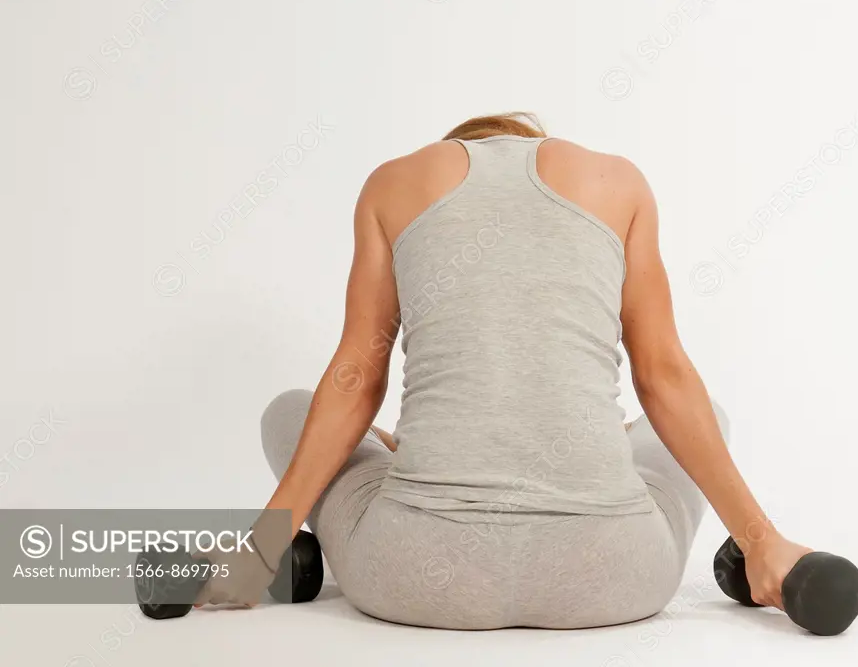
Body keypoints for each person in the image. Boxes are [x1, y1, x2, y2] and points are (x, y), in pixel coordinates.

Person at [194, 112, 814, 629]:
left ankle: (284, 551)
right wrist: (762, 543)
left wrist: (257, 550)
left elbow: (357, 377)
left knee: (291, 410)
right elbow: (664, 379)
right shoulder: (618, 181)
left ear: (457, 145)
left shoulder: (393, 183)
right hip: (614, 578)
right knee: (703, 418)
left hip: (414, 576)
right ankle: (745, 557)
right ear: (530, 137)